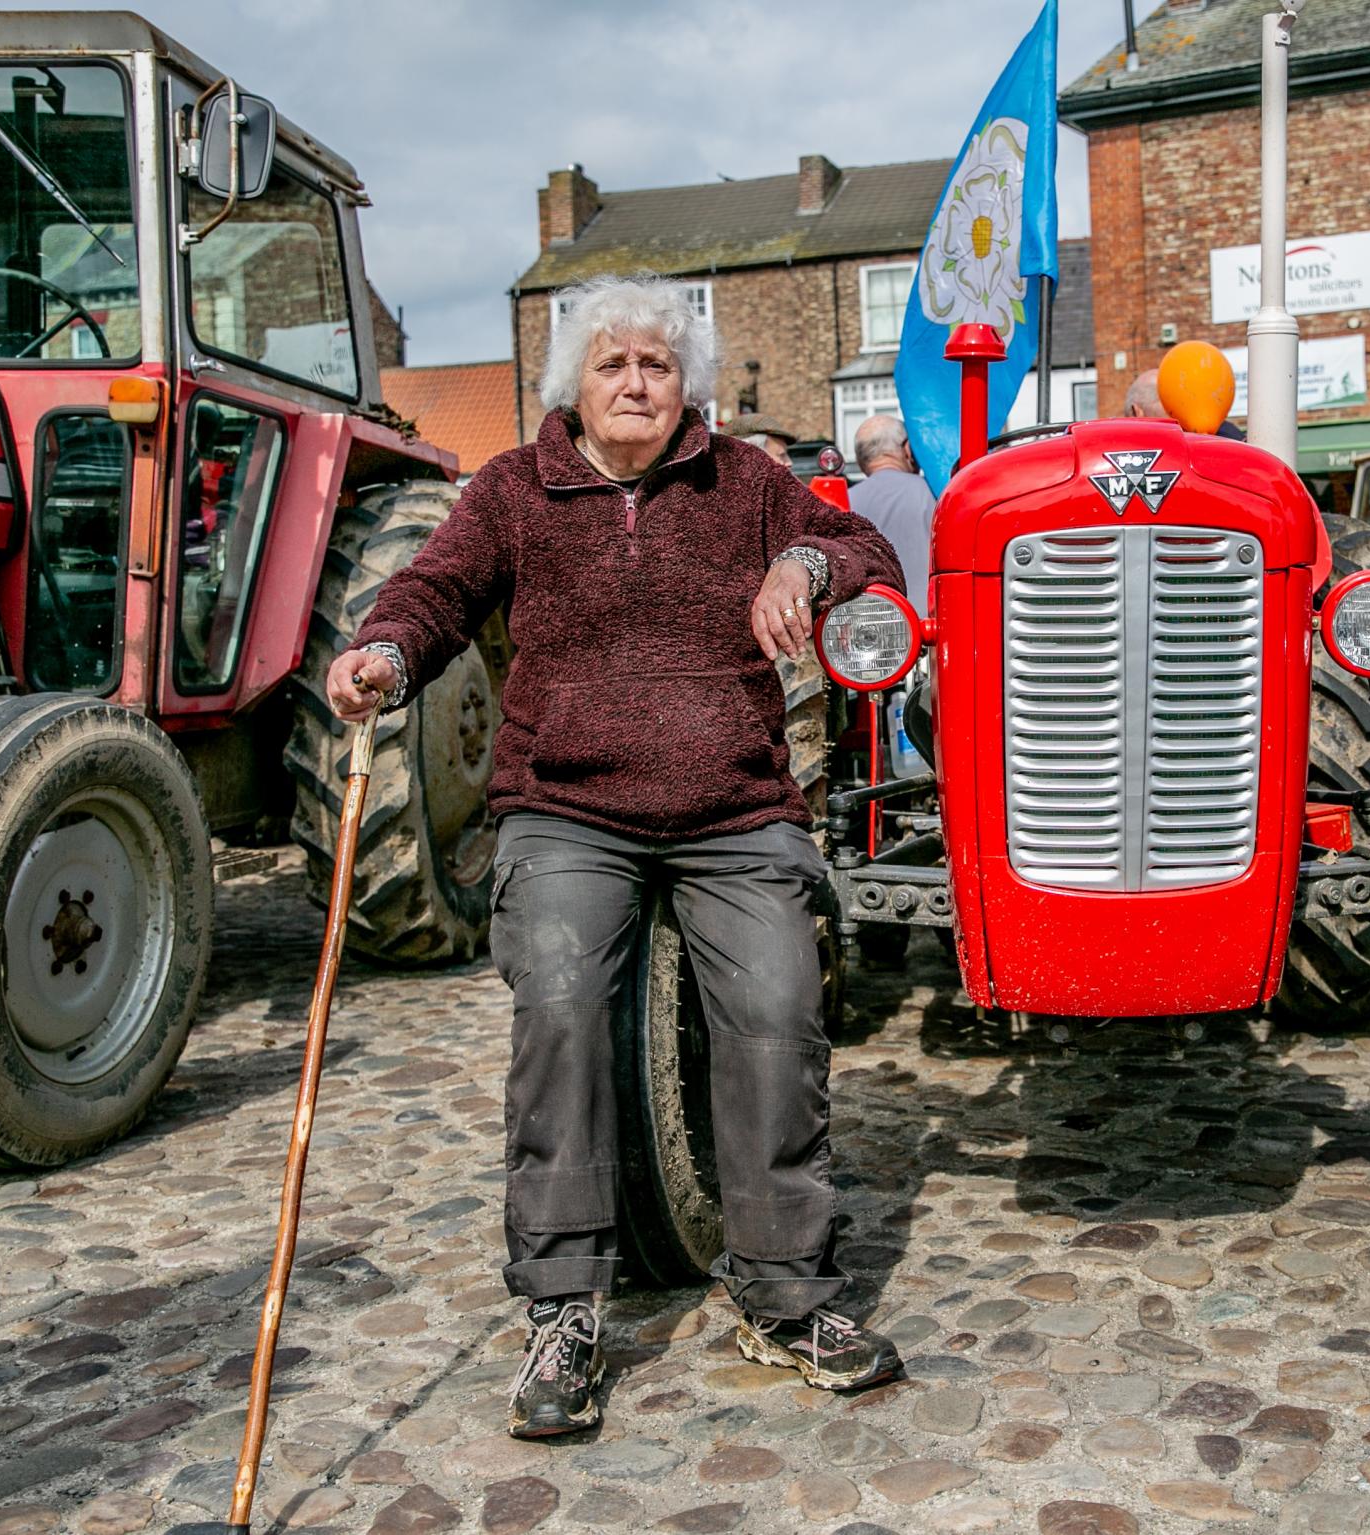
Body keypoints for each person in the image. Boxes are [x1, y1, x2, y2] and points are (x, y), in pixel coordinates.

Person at [325, 275, 908, 1440]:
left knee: (780, 1014)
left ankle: (785, 1294)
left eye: (655, 362)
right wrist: (385, 650)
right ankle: (563, 1306)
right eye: (612, 364)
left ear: (684, 381)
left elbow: (866, 544)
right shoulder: (512, 489)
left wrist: (803, 567)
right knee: (559, 1010)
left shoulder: (741, 480)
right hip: (566, 804)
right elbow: (436, 590)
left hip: (734, 806)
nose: (636, 380)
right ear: (571, 387)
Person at [846, 415, 933, 611]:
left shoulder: (841, 502)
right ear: (908, 449)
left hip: (868, 633)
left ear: (861, 461)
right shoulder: (938, 493)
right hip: (933, 628)